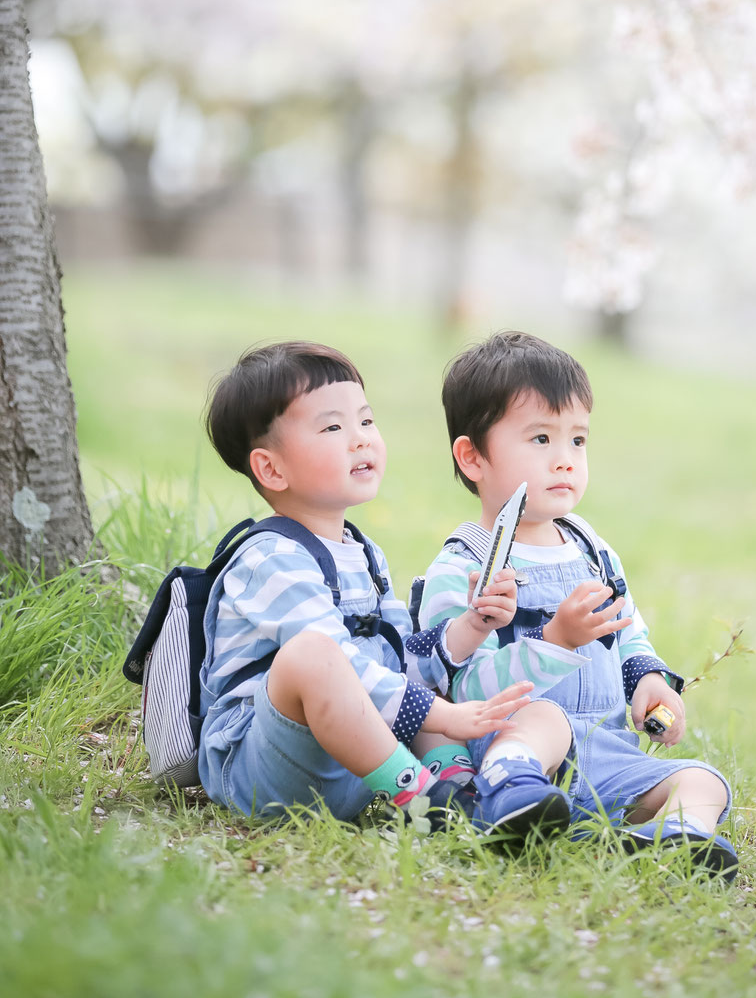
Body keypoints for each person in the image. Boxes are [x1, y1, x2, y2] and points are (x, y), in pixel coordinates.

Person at [197, 339, 568, 835]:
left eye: (366, 422)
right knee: (316, 656)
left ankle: (469, 793)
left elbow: (397, 664)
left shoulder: (365, 554)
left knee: (423, 685)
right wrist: (442, 714)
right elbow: (338, 666)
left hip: (354, 767)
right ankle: (429, 804)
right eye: (333, 427)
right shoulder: (270, 558)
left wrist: (472, 624)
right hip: (266, 770)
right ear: (271, 468)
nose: (361, 439)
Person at [417, 330, 738, 878]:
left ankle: (668, 839)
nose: (565, 460)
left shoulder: (591, 548)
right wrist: (554, 643)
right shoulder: (468, 565)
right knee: (544, 717)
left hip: (604, 754)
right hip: (512, 743)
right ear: (473, 458)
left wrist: (649, 681)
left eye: (578, 441)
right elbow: (456, 685)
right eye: (541, 440)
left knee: (705, 781)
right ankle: (510, 799)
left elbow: (628, 629)